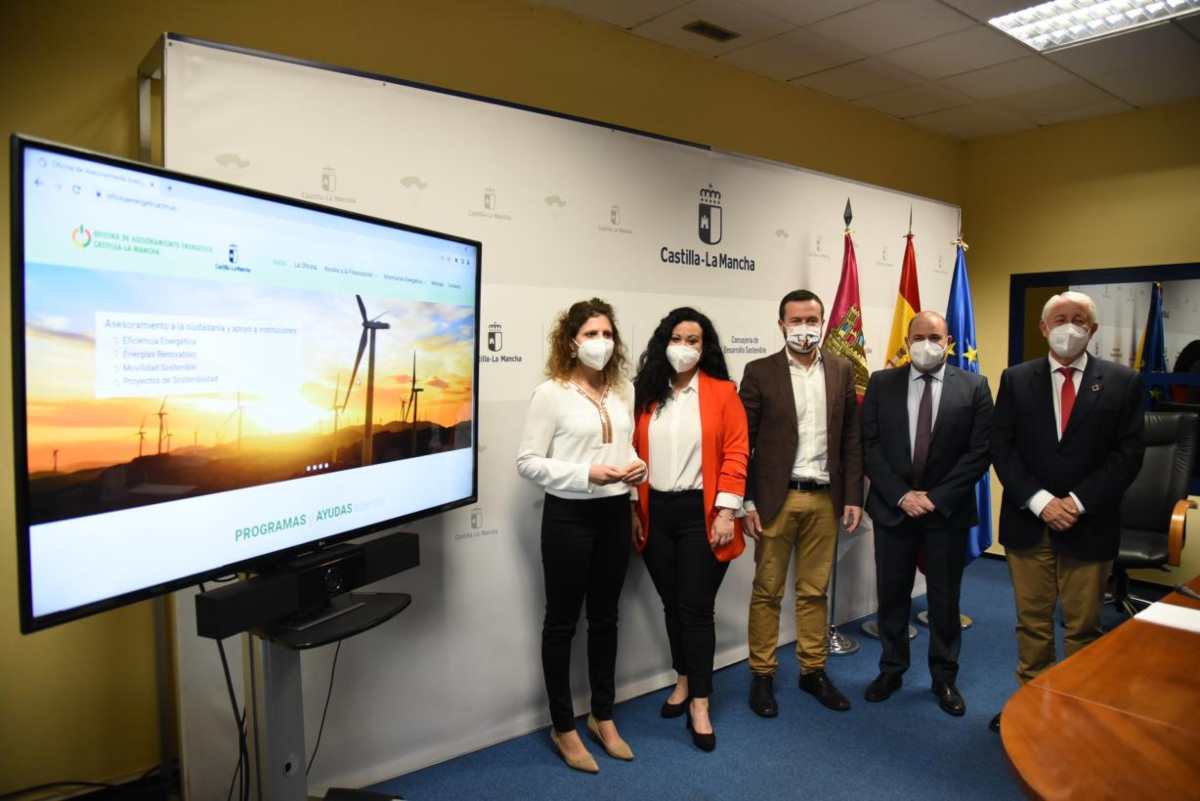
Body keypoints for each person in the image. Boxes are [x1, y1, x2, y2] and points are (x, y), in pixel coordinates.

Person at [989, 290, 1145, 733]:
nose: (1068, 326)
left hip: (1088, 523)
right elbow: (1003, 447)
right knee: (1032, 624)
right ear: (1043, 328)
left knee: (1083, 627)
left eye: (1079, 319)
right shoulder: (1017, 379)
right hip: (1028, 521)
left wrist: (1074, 503)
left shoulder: (1122, 382)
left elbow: (1127, 454)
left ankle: (1076, 714)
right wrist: (1041, 502)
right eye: (1059, 319)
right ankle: (1029, 709)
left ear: (1093, 330)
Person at [516, 297, 646, 772]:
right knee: (562, 623)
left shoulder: (623, 390)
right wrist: (586, 474)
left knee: (607, 619)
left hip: (614, 515)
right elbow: (527, 461)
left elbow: (626, 448)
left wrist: (634, 482)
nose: (601, 343)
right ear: (571, 342)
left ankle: (603, 717)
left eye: (608, 334)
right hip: (569, 517)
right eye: (591, 334)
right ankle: (564, 726)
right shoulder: (550, 393)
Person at [861, 311, 994, 716]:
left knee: (943, 599)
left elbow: (979, 453)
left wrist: (934, 497)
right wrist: (902, 495)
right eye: (918, 336)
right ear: (906, 340)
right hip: (893, 508)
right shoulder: (882, 383)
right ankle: (891, 668)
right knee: (892, 595)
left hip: (945, 513)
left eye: (934, 336)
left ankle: (944, 677)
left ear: (948, 340)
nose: (926, 343)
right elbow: (869, 446)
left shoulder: (974, 386)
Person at [630, 307, 749, 752]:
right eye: (677, 338)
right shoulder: (646, 393)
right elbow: (631, 452)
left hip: (703, 514)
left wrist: (726, 512)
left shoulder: (722, 392)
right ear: (665, 342)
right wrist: (632, 508)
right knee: (672, 604)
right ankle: (682, 678)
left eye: (693, 340)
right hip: (655, 512)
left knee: (696, 608)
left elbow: (737, 452)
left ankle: (700, 700)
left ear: (706, 347)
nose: (685, 347)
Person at [741, 289, 864, 717]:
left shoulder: (841, 369)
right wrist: (747, 500)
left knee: (814, 592)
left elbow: (851, 437)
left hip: (825, 500)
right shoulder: (759, 372)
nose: (805, 329)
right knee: (767, 592)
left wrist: (853, 495)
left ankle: (813, 671)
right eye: (796, 321)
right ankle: (762, 674)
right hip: (776, 499)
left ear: (823, 322)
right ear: (781, 325)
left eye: (812, 320)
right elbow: (744, 443)